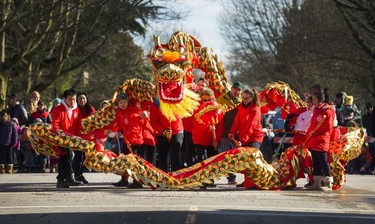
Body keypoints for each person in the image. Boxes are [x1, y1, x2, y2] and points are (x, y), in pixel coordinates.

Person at [228, 89, 263, 188]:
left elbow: (251, 125)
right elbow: (237, 121)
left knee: (251, 159)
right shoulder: (240, 107)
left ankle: (252, 182)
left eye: (246, 98)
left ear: (251, 98)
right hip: (244, 137)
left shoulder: (255, 109)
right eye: (243, 98)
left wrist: (243, 139)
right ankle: (247, 181)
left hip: (254, 137)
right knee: (245, 160)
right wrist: (232, 132)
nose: (244, 100)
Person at [111, 93, 146, 188]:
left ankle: (137, 181)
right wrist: (119, 130)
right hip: (127, 140)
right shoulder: (119, 112)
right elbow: (119, 123)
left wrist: (143, 116)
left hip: (135, 141)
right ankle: (124, 179)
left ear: (128, 102)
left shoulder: (133, 111)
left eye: (124, 102)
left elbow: (138, 125)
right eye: (121, 102)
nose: (123, 104)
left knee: (134, 162)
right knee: (123, 159)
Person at [51, 88, 83, 188]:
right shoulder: (58, 109)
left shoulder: (76, 110)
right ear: (65, 99)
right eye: (70, 99)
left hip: (71, 139)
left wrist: (79, 136)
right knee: (65, 157)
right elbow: (55, 124)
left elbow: (78, 124)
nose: (72, 101)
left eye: (74, 99)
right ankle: (62, 179)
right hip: (61, 138)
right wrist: (59, 132)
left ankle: (67, 178)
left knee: (68, 158)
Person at [304, 91, 335, 191]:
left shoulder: (327, 111)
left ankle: (328, 182)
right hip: (314, 140)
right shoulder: (316, 110)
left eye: (314, 99)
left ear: (319, 100)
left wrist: (316, 133)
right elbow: (313, 124)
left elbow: (328, 128)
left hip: (322, 140)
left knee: (323, 161)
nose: (312, 102)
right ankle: (316, 182)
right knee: (316, 161)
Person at [216, 81, 243, 184]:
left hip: (237, 133)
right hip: (225, 132)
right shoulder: (222, 99)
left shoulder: (241, 101)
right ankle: (230, 177)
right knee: (225, 155)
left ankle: (233, 174)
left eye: (239, 90)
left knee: (236, 155)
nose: (237, 91)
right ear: (231, 88)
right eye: (235, 89)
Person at [150, 98, 184, 173]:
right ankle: (164, 179)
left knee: (175, 157)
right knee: (163, 159)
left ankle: (176, 179)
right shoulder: (155, 104)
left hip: (177, 130)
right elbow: (153, 122)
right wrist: (163, 130)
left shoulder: (177, 99)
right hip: (162, 133)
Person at [72, 92, 96, 184]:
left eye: (83, 98)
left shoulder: (91, 109)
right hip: (77, 137)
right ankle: (77, 175)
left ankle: (80, 174)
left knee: (86, 158)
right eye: (80, 99)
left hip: (88, 138)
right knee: (78, 157)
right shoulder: (74, 109)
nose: (82, 100)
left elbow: (95, 121)